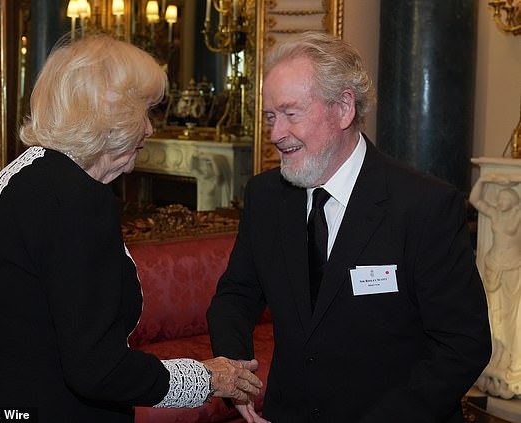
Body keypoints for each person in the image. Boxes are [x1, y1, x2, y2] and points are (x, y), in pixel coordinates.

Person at [0, 34, 263, 422]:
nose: (150, 129)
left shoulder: (23, 175)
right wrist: (205, 378)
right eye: (145, 111)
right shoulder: (77, 200)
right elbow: (97, 369)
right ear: (113, 117)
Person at [207, 31, 491, 422]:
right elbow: (235, 297)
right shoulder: (265, 197)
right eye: (271, 117)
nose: (275, 134)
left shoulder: (424, 206)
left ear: (343, 109)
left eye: (291, 114)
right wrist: (235, 375)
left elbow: (463, 344)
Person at [470, 174, 521, 397]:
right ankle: (494, 358)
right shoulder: (496, 214)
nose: (499, 202)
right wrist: (486, 179)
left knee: (510, 317)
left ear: (512, 201)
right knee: (493, 314)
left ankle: (513, 363)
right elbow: (475, 199)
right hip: (493, 265)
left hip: (512, 268)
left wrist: (511, 180)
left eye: (503, 199)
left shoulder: (517, 217)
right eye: (498, 199)